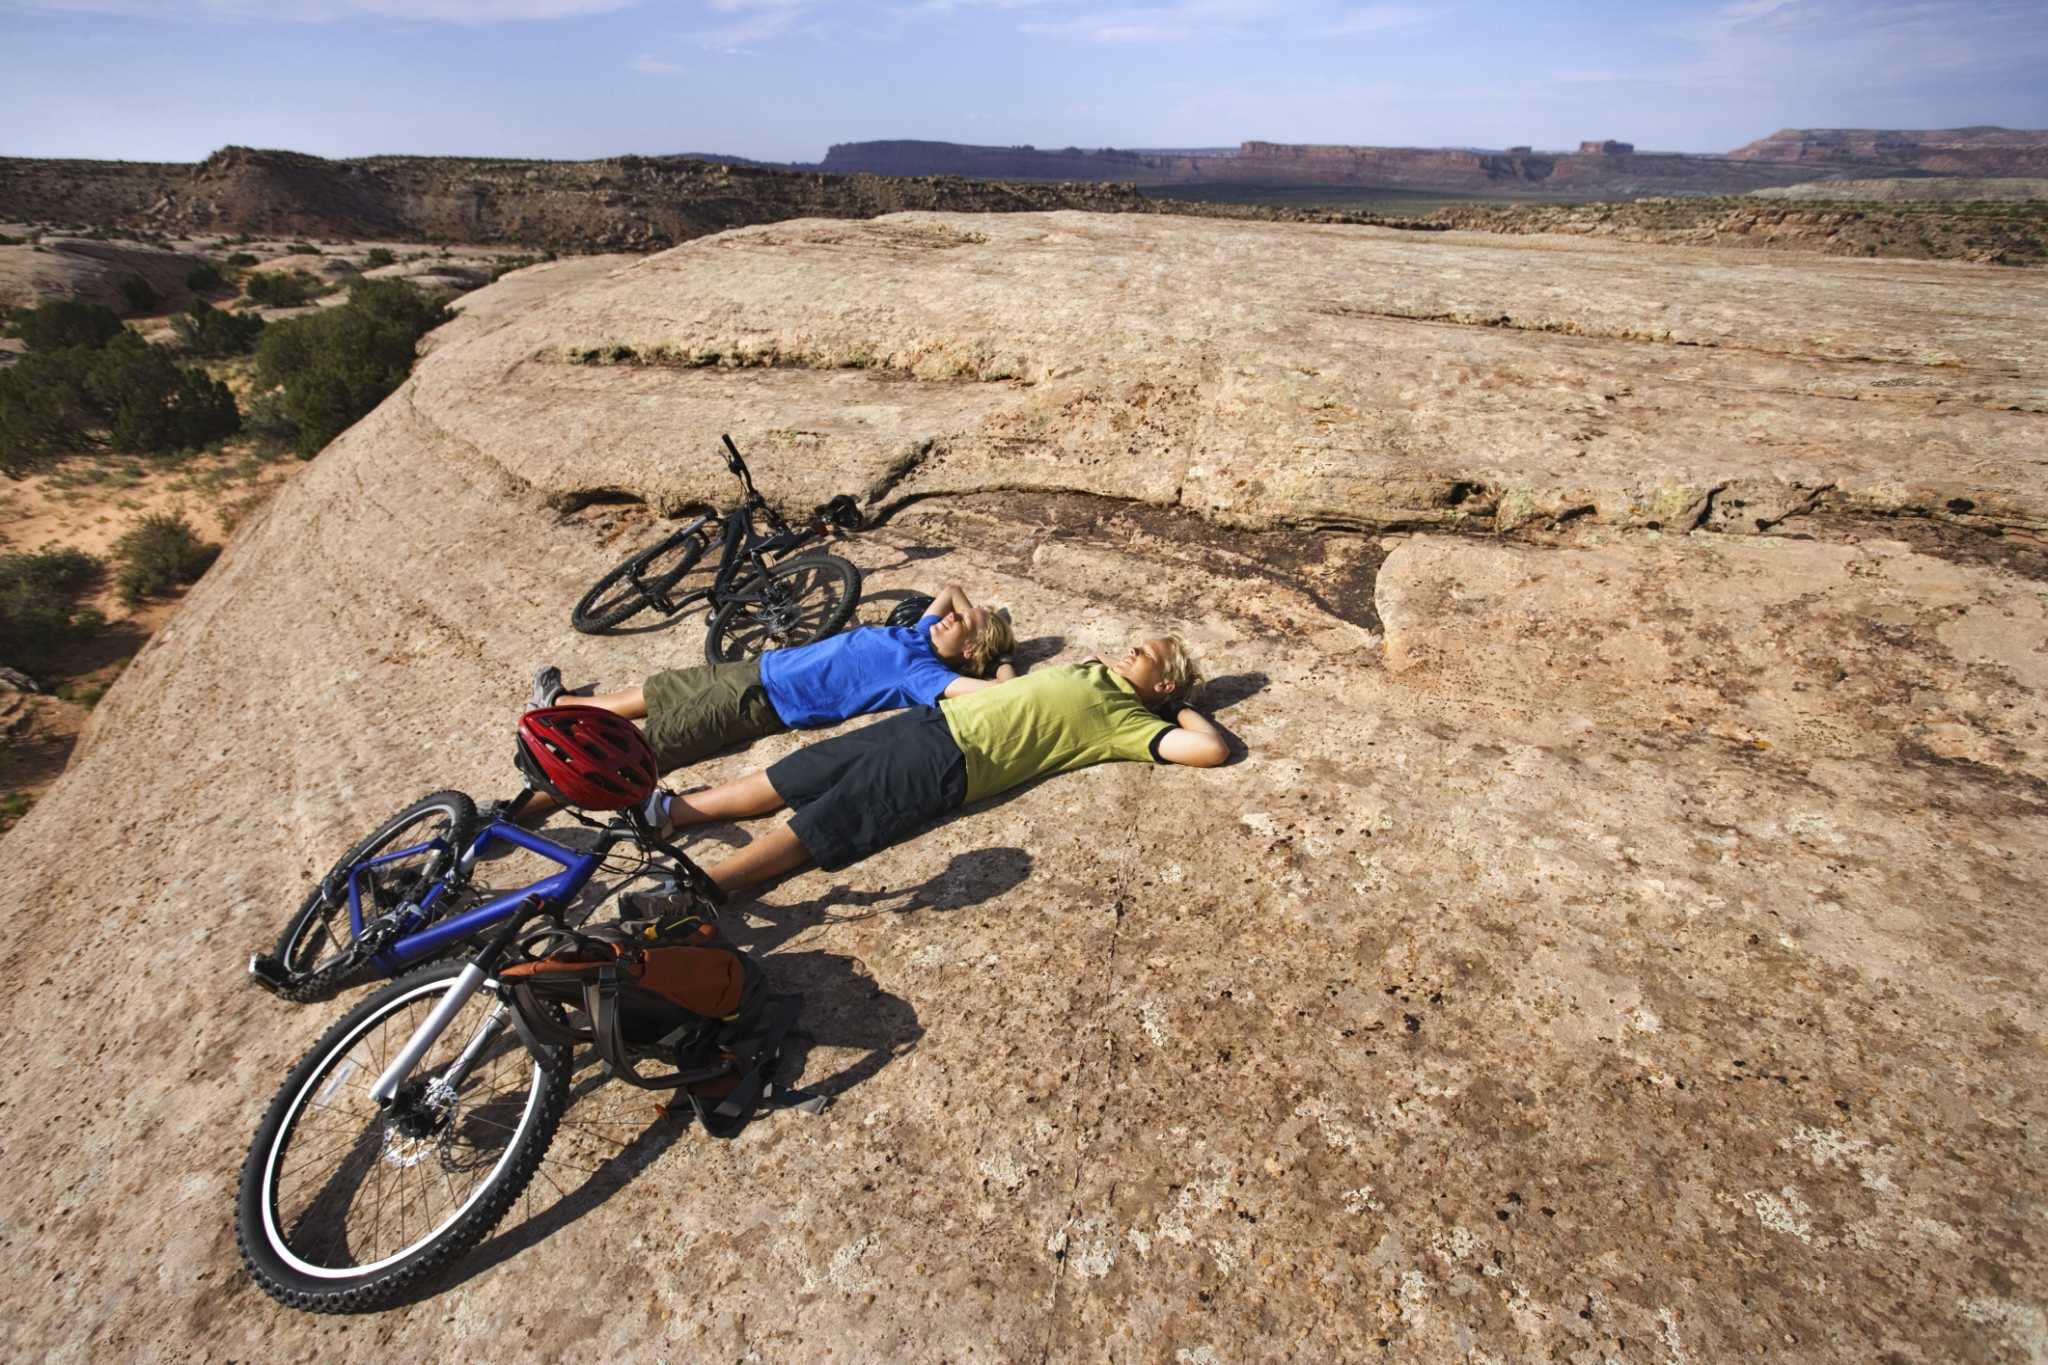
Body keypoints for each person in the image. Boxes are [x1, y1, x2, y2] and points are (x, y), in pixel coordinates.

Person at [651, 636, 1230, 895]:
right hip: (932, 724)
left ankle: (699, 887)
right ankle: (673, 811)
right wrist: (1004, 666)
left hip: (955, 762)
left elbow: (1211, 752)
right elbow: (1017, 692)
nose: (1134, 650)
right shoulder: (1091, 671)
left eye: (1148, 654)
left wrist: (1181, 712)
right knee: (801, 773)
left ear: (1167, 681)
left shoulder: (1129, 722)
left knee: (829, 819)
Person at [513, 584, 1016, 822]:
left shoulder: (924, 674)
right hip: (758, 669)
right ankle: (559, 709)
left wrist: (1000, 666)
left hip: (760, 701)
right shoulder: (920, 632)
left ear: (968, 652)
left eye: (966, 625)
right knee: (654, 692)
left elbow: (1004, 695)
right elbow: (950, 590)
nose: (957, 616)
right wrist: (977, 615)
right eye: (962, 615)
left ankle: (531, 803)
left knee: (635, 753)